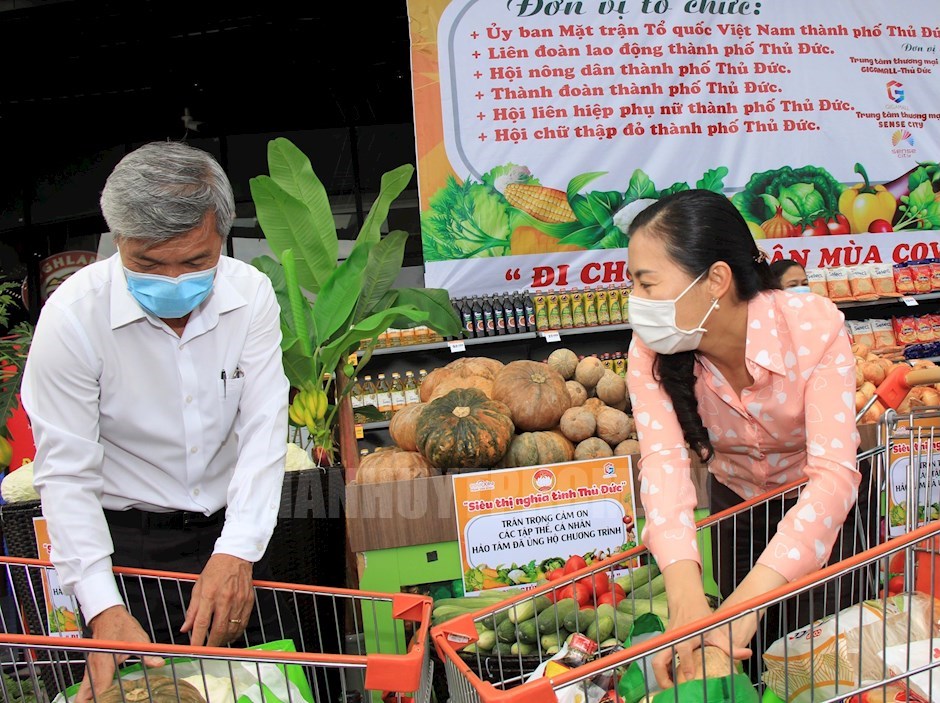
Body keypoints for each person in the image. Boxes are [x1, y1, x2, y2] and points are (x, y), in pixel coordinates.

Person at [21, 141, 290, 701]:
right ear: (117, 240)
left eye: (195, 263)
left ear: (222, 237)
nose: (172, 282)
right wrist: (101, 605)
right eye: (146, 264)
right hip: (127, 549)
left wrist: (237, 551)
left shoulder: (251, 296)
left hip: (236, 533)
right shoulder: (73, 318)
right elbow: (66, 473)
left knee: (260, 687)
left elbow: (264, 429)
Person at [624, 189, 862, 688]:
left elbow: (833, 479)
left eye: (647, 284)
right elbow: (663, 468)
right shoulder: (651, 351)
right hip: (738, 503)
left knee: (825, 661)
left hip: (819, 512)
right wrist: (687, 604)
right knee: (744, 662)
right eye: (633, 285)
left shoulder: (812, 328)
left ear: (715, 279)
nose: (635, 305)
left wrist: (743, 607)